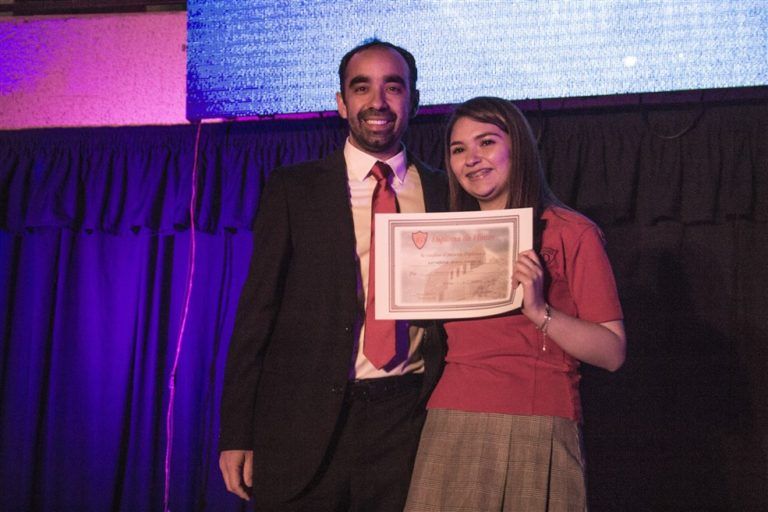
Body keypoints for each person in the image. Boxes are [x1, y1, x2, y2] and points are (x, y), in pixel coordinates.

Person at [218, 40, 448, 511]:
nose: (377, 102)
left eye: (393, 87)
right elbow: (256, 315)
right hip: (303, 423)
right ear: (342, 103)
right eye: (362, 88)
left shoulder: (446, 192)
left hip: (409, 422)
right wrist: (237, 431)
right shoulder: (294, 189)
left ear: (415, 101)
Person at [404, 96, 626, 512]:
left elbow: (612, 351)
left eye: (486, 142)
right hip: (450, 416)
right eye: (458, 149)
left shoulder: (571, 232)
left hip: (534, 419)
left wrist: (541, 312)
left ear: (518, 146)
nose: (472, 158)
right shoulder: (445, 239)